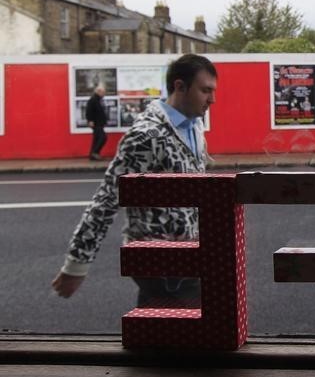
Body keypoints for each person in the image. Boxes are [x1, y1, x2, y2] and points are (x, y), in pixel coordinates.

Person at [51, 54, 217, 308]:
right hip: (160, 258)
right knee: (191, 332)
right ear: (180, 86)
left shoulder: (194, 126)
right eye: (205, 90)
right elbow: (106, 200)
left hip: (188, 255)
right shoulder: (146, 135)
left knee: (163, 331)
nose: (212, 100)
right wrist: (76, 265)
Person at [85, 86, 108, 160]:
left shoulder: (98, 100)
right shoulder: (93, 100)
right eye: (103, 92)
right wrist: (90, 120)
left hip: (99, 123)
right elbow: (89, 111)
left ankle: (92, 155)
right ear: (98, 92)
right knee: (103, 137)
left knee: (96, 139)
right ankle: (95, 152)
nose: (104, 94)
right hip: (96, 123)